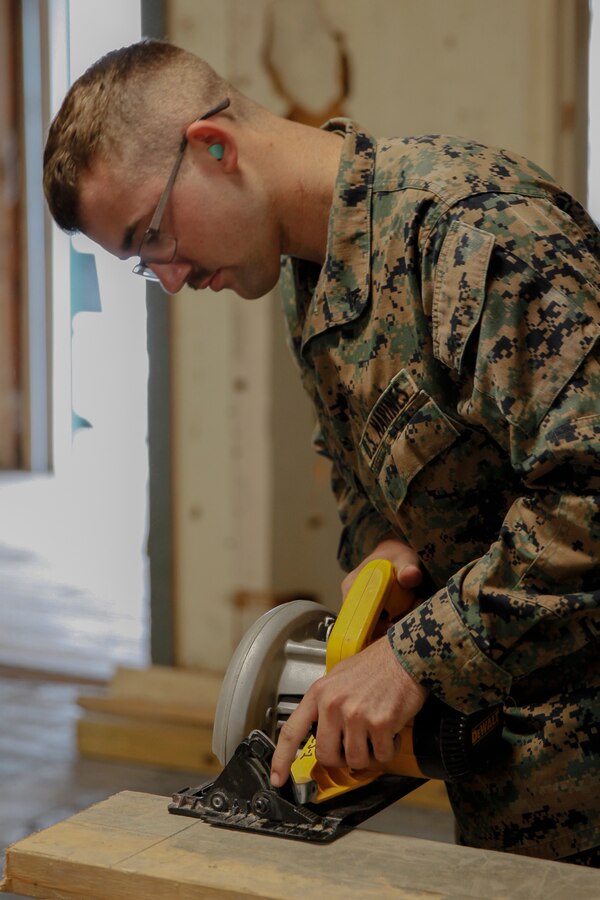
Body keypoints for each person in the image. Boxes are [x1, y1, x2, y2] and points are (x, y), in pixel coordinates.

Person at [43, 39, 600, 865]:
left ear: (214, 148)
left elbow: (588, 496)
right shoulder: (314, 276)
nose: (166, 278)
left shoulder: (473, 237)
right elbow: (367, 470)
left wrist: (410, 659)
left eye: (152, 234)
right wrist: (382, 548)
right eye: (139, 263)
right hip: (513, 786)